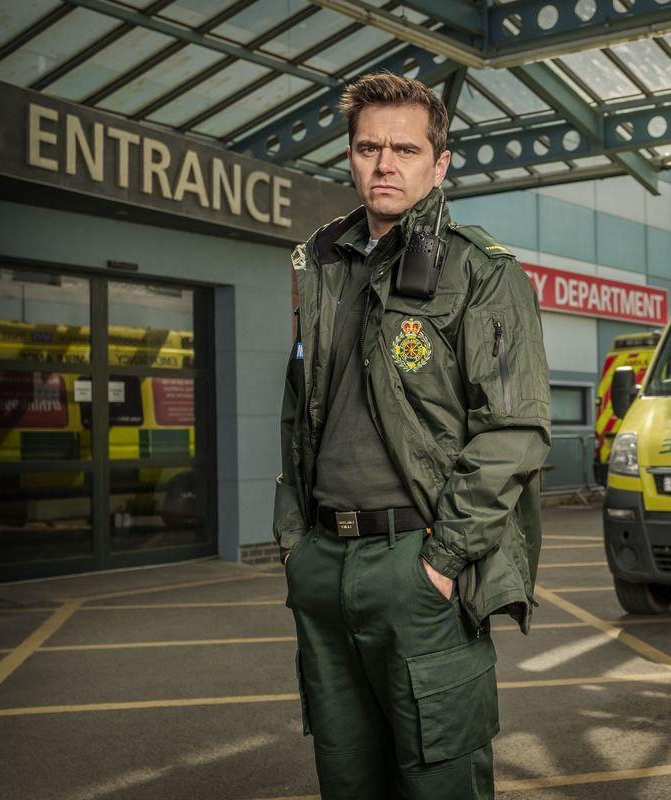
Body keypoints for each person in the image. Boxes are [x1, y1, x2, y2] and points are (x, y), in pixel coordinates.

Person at [274, 71, 551, 799]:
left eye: (404, 148)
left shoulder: (482, 272)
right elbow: (299, 412)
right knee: (346, 777)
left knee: (438, 781)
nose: (385, 163)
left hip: (416, 565)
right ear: (350, 156)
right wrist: (295, 544)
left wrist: (442, 561)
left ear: (440, 162)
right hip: (325, 564)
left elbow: (513, 432)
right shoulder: (324, 265)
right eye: (369, 147)